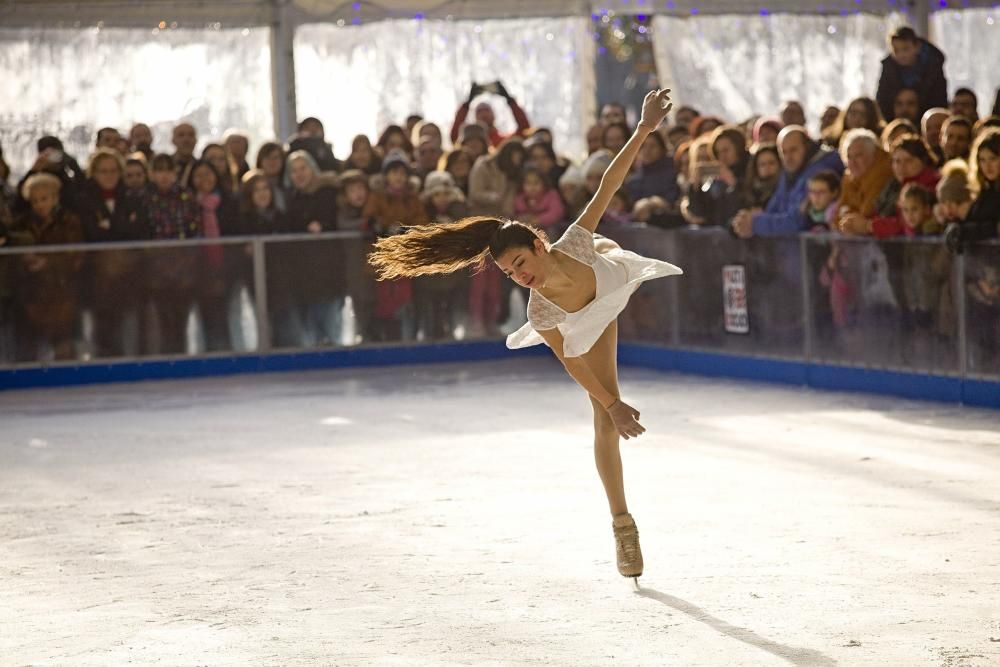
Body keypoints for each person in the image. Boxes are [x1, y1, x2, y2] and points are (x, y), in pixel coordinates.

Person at [368, 89, 680, 581]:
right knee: (603, 416)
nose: (519, 276)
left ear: (538, 245)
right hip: (580, 319)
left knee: (601, 245)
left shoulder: (571, 243)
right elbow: (572, 363)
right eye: (509, 274)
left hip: (606, 277)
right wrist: (613, 405)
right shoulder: (540, 308)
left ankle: (603, 248)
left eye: (520, 263)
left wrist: (643, 129)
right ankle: (623, 524)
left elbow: (609, 183)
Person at [732, 126, 844, 237]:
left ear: (807, 146)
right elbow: (773, 208)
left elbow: (799, 221)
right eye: (783, 152)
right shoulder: (789, 172)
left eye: (793, 150)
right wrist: (750, 220)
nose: (788, 157)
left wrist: (755, 223)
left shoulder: (821, 172)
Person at [875, 26, 947, 121]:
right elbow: (882, 99)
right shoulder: (889, 67)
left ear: (917, 47)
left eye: (905, 49)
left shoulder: (933, 64)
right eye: (896, 50)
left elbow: (939, 98)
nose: (901, 54)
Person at [450, 80, 531, 147]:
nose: (484, 114)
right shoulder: (470, 145)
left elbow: (524, 130)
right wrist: (467, 104)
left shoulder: (503, 142)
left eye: (487, 110)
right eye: (479, 111)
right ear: (475, 117)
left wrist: (510, 100)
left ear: (494, 116)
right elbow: (454, 137)